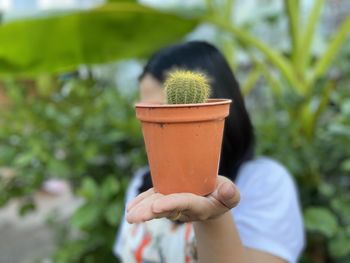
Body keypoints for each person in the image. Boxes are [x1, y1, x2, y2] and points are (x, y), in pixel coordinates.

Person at [114, 41, 305, 263]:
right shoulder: (143, 181)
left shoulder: (265, 182)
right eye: (146, 112)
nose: (152, 124)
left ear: (209, 106)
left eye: (161, 110)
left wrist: (214, 217)